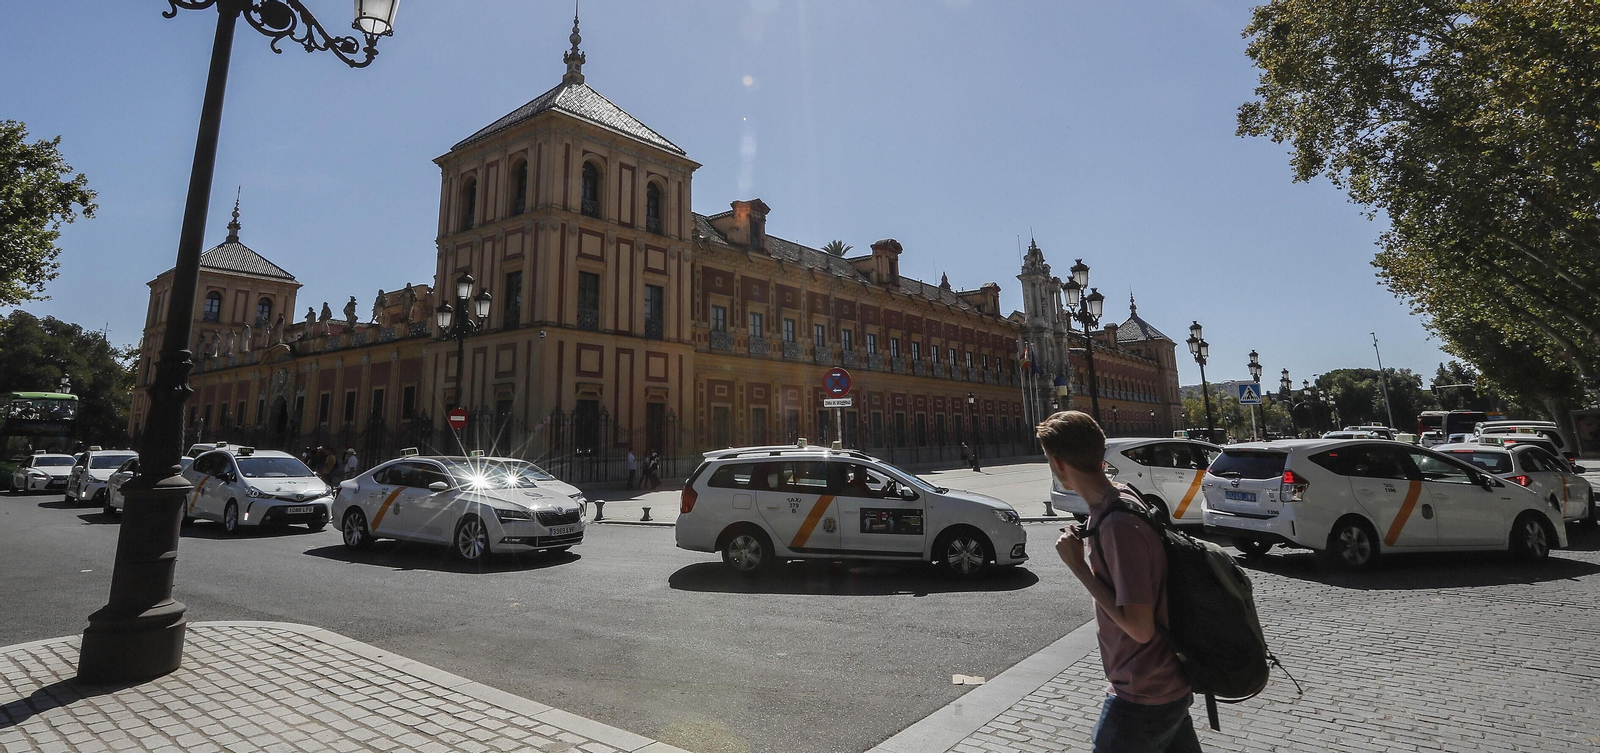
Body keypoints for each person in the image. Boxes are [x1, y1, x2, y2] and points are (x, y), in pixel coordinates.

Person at [1038, 410, 1199, 753]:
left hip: (1142, 698)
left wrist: (1078, 568)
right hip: (1165, 686)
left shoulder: (1117, 525)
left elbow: (1140, 629)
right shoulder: (1123, 497)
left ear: (1059, 464)